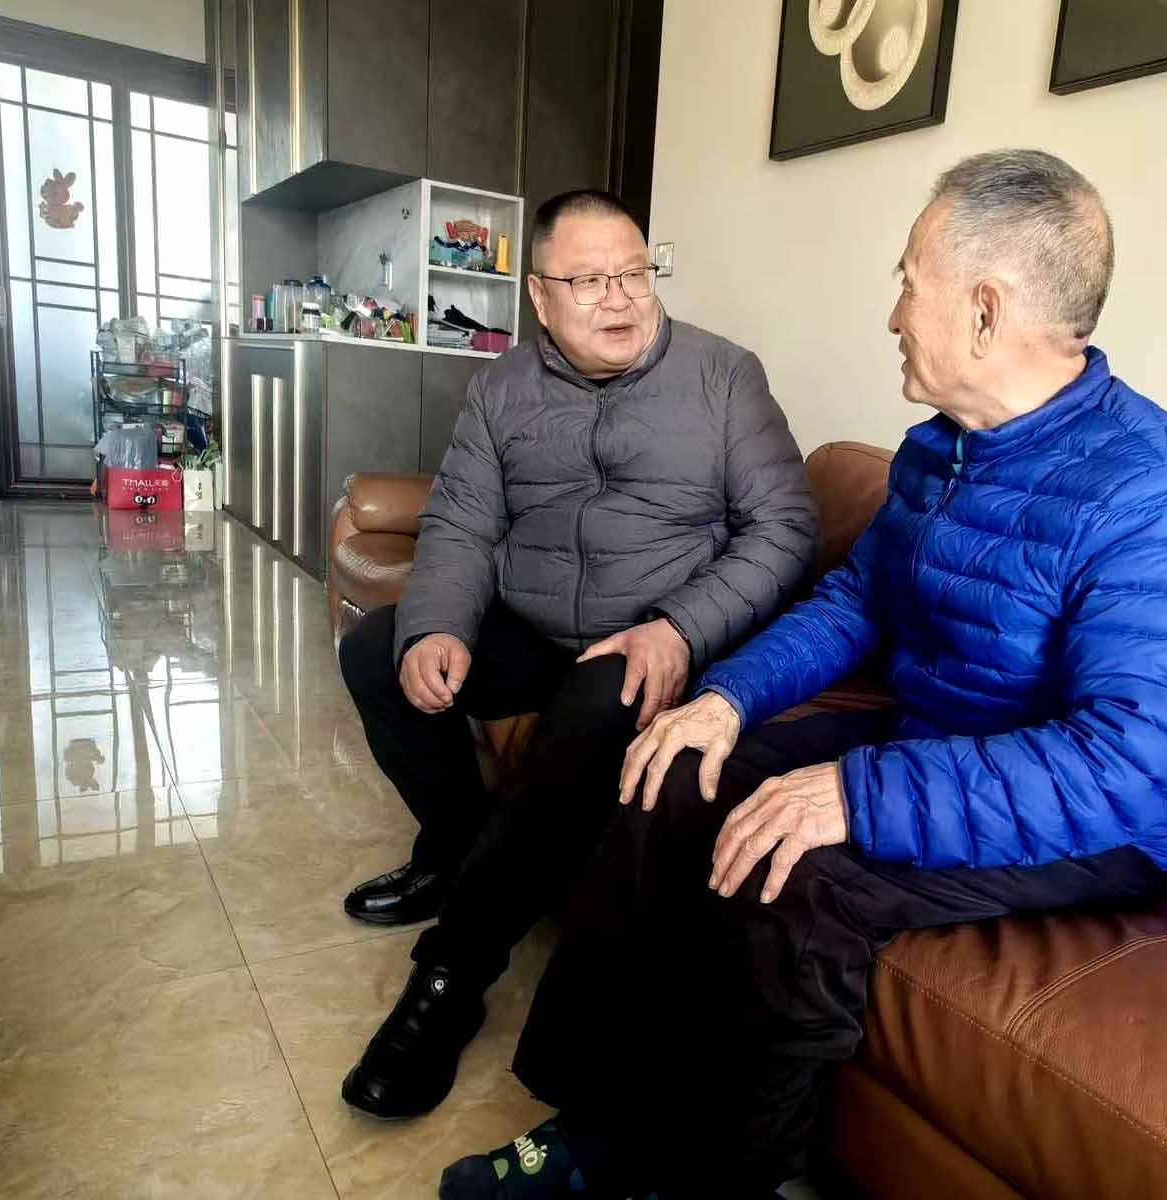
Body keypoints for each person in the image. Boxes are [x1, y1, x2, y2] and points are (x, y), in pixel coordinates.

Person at [440, 150, 1167, 1198]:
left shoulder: (1155, 491)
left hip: (1086, 824)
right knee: (670, 768)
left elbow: (1123, 768)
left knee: (796, 875)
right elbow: (856, 600)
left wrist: (859, 795)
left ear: (985, 312)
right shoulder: (940, 449)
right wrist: (725, 699)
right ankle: (595, 1127)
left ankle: (713, 1180)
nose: (894, 315)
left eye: (909, 283)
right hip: (930, 741)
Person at [336, 189, 818, 1119]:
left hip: (656, 634)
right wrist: (436, 627)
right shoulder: (502, 388)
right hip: (536, 623)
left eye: (635, 272)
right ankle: (458, 854)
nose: (620, 297)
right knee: (375, 652)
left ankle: (452, 974)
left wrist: (680, 627)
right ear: (539, 296)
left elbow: (786, 530)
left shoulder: (724, 376)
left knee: (600, 698)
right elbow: (462, 525)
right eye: (589, 280)